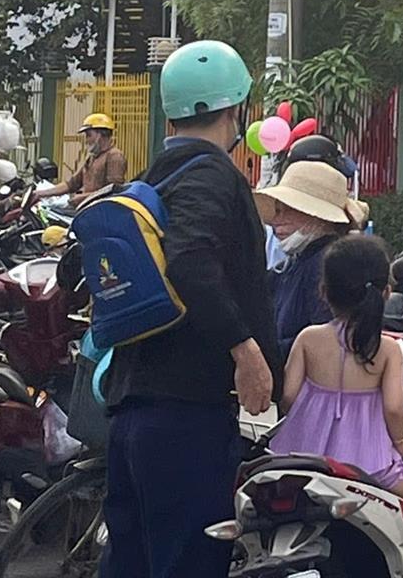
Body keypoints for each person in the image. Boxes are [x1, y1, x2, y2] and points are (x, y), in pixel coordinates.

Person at [101, 41, 280, 578]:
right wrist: (245, 348)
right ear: (235, 109)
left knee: (131, 563)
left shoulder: (154, 179)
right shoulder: (211, 176)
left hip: (133, 407)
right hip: (186, 414)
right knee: (189, 562)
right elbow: (189, 261)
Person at [274, 236, 403, 578]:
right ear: (386, 293)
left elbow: (289, 397)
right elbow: (395, 408)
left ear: (323, 291)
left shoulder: (308, 339)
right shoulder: (386, 349)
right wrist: (401, 443)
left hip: (304, 457)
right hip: (367, 463)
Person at [256, 159, 368, 359]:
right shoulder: (293, 263)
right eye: (277, 210)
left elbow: (324, 344)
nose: (276, 220)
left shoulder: (328, 265)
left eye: (287, 209)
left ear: (316, 215)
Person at [35, 113, 126, 201]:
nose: (86, 140)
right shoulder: (92, 158)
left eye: (89, 135)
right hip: (86, 207)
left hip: (100, 209)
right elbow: (71, 184)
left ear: (100, 135)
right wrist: (40, 193)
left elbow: (112, 191)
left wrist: (82, 198)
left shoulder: (114, 156)